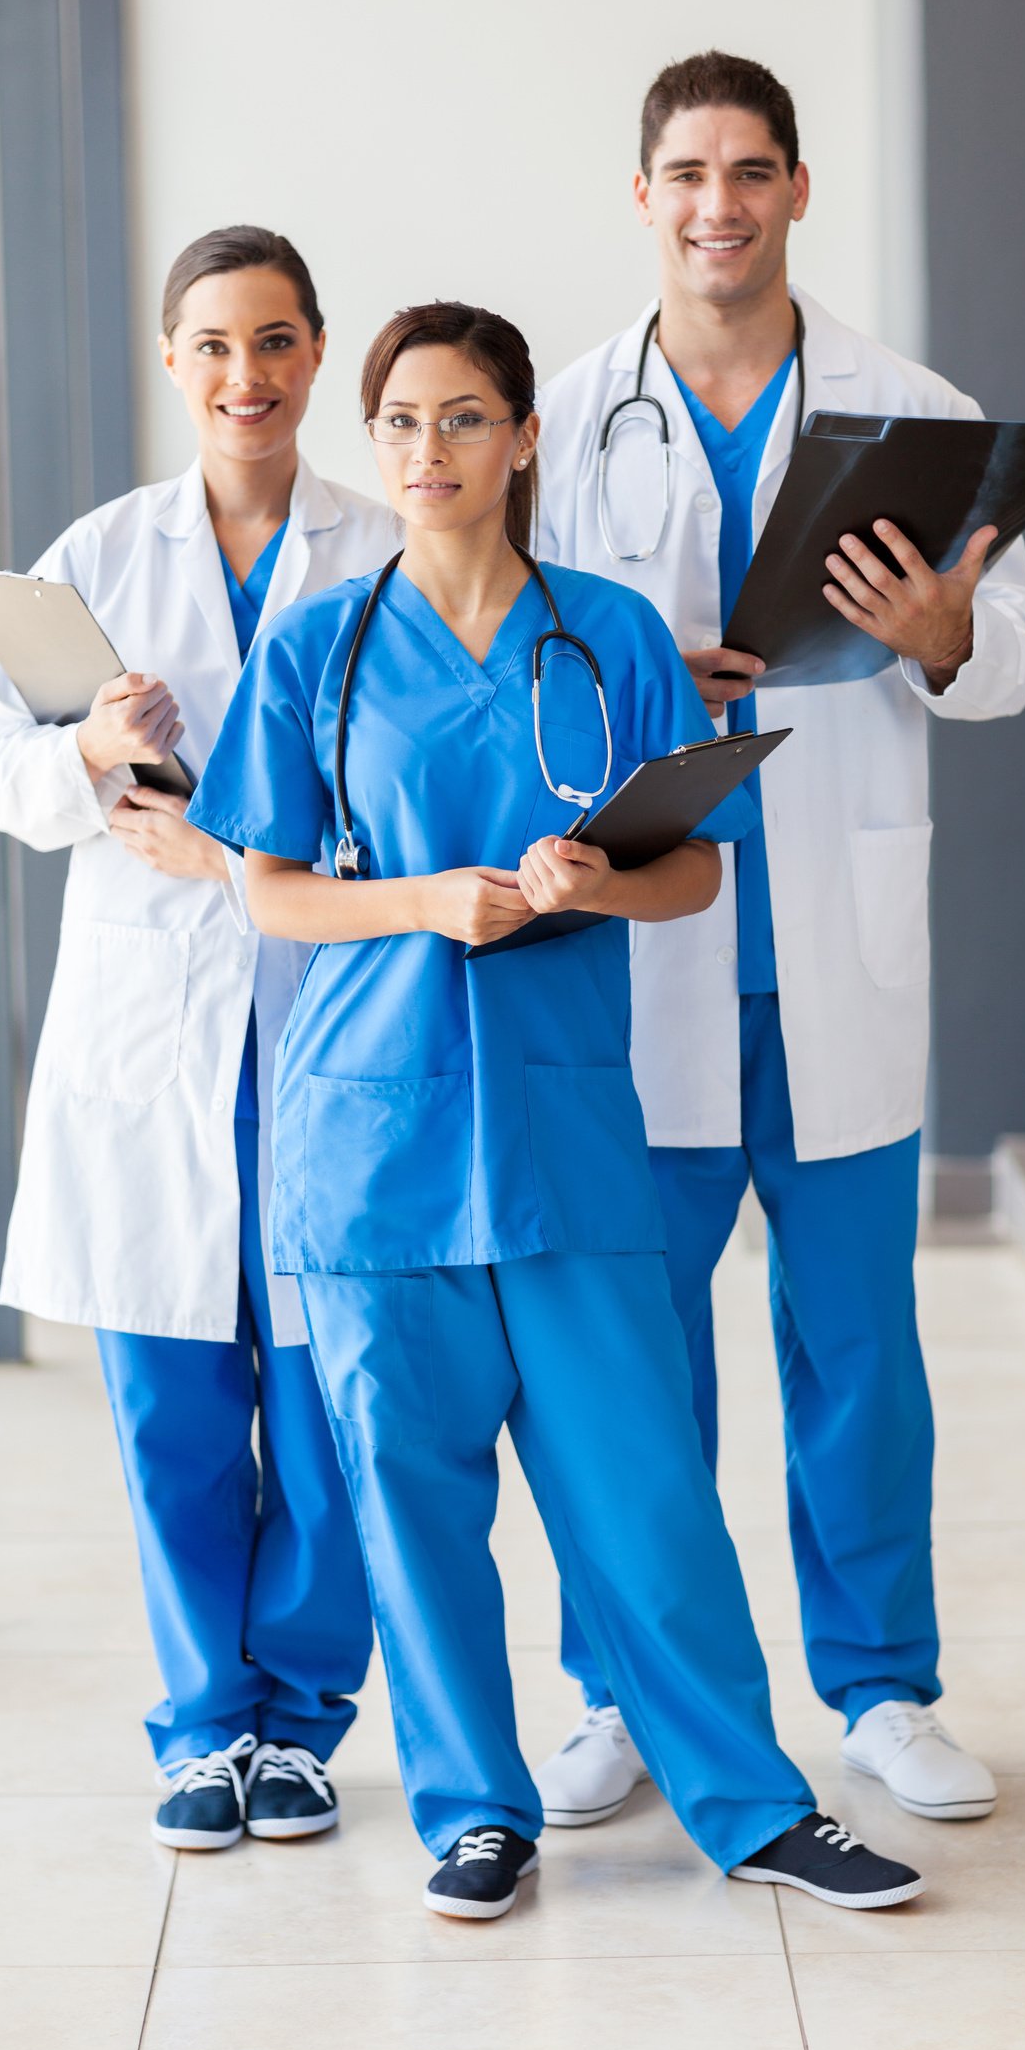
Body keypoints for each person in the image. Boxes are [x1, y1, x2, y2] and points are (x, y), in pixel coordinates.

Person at [188, 299, 924, 1922]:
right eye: (396, 423)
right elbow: (269, 893)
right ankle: (474, 1813)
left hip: (571, 1136)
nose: (425, 452)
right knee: (416, 1499)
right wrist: (424, 903)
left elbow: (691, 873)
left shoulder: (607, 635)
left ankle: (750, 1804)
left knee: (643, 1497)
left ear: (523, 438)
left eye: (460, 420)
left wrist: (593, 876)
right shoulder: (322, 647)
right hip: (374, 1146)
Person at [533, 52, 1025, 1829]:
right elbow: (496, 662)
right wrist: (625, 673)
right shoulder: (563, 416)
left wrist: (940, 634)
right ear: (642, 195)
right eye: (686, 173)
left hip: (828, 956)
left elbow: (1017, 660)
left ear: (799, 191)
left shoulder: (916, 409)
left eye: (752, 172)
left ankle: (883, 1690)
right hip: (646, 956)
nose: (718, 205)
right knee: (631, 1366)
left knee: (855, 1351)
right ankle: (620, 1688)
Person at [0, 225, 398, 1851]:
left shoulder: (379, 548)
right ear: (171, 361)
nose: (247, 376)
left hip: (333, 1009)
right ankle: (204, 1727)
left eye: (276, 342)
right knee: (172, 1404)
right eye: (213, 345)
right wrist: (89, 751)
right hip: (152, 1032)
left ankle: (302, 1724)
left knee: (332, 1397)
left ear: (315, 354)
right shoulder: (100, 552)